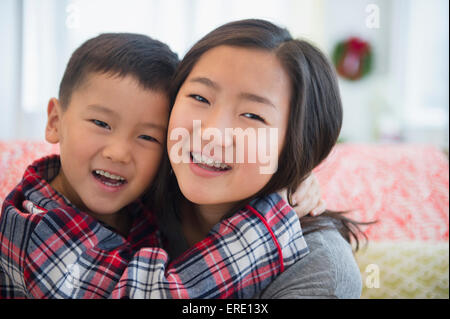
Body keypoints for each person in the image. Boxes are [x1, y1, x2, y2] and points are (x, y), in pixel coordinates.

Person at [0, 33, 320, 299]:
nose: (120, 153)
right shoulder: (34, 228)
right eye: (101, 123)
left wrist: (294, 178)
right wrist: (272, 219)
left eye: (148, 137)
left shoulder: (144, 200)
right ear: (55, 121)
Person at [143, 19, 363, 298]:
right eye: (199, 97)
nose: (213, 133)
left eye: (252, 116)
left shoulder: (319, 268)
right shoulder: (132, 196)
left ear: (296, 143)